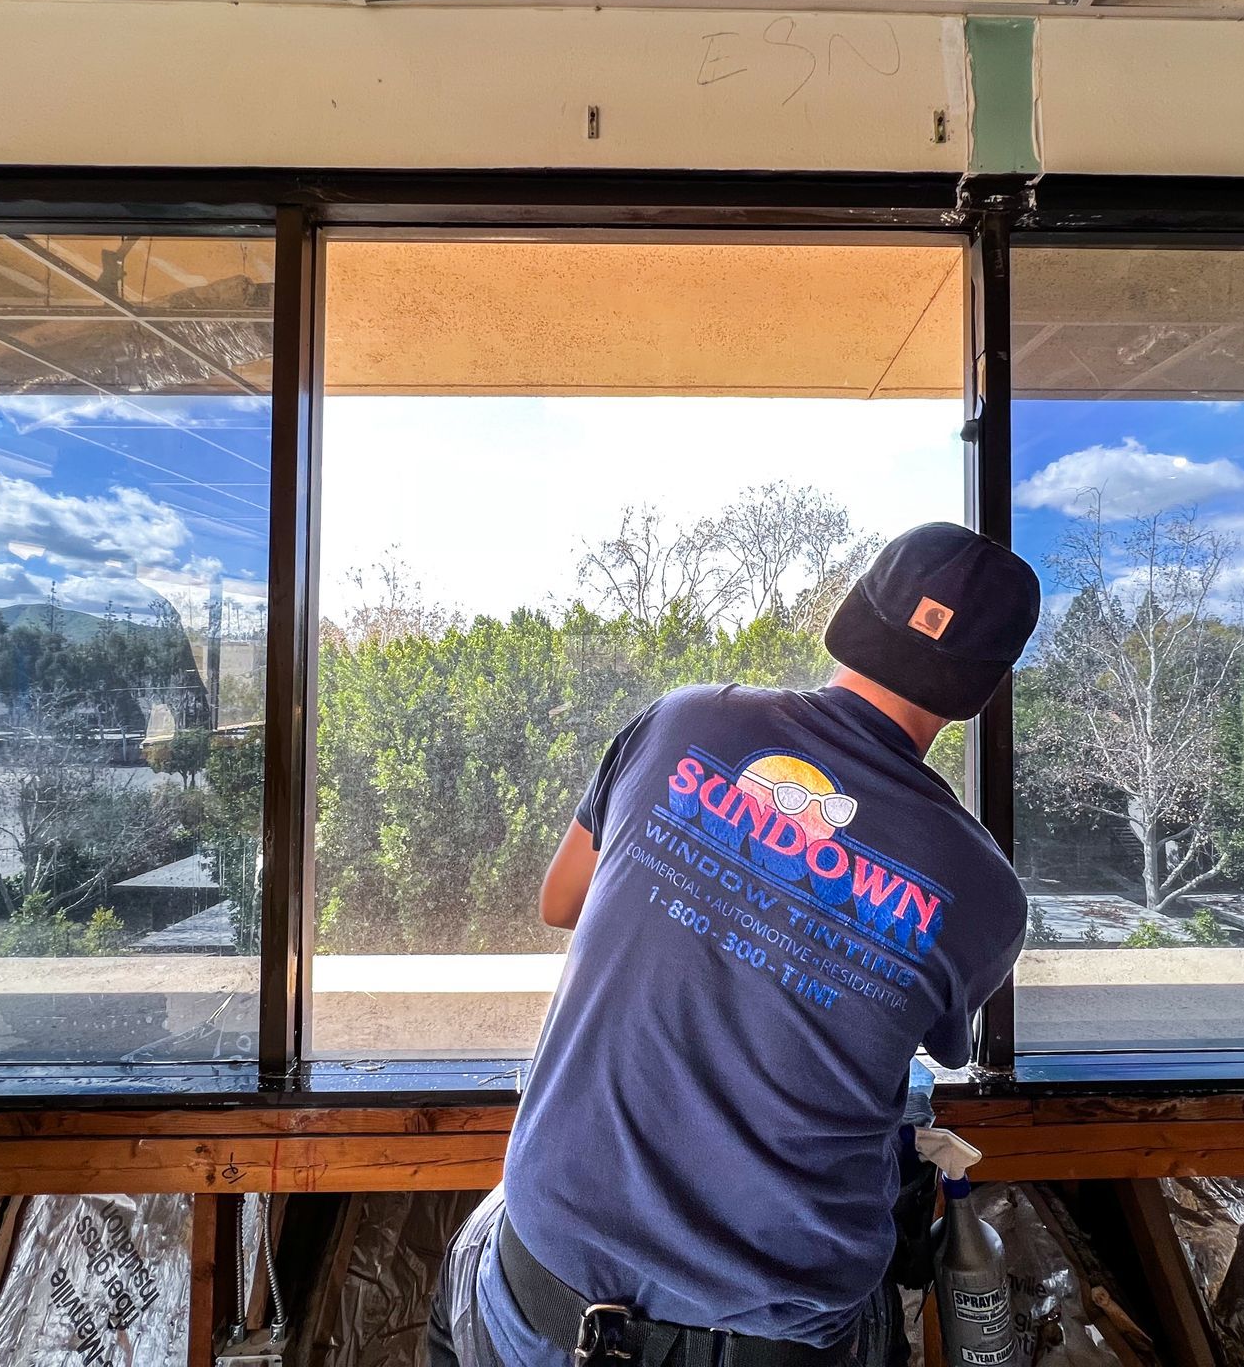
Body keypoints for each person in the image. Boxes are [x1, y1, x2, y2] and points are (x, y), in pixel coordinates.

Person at [429, 522, 1041, 1367]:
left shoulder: (683, 722)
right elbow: (910, 1038)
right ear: (984, 686)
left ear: (855, 612)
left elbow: (563, 898)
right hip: (770, 1336)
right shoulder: (981, 892)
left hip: (542, 1298)